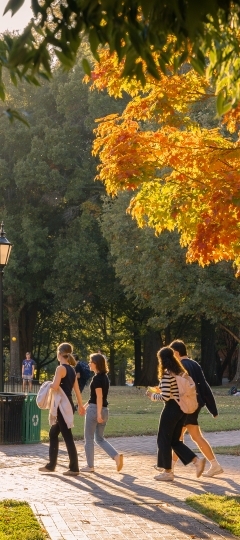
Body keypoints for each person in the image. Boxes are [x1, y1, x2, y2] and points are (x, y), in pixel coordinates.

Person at [146, 346, 206, 482]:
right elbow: (172, 390)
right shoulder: (180, 372)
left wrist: (152, 395)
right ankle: (196, 461)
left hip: (171, 409)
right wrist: (160, 388)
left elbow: (166, 396)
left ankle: (167, 472)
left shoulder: (167, 373)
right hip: (182, 409)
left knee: (163, 439)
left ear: (162, 359)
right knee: (174, 441)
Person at [170, 339, 223, 478]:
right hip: (196, 404)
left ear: (176, 352)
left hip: (186, 406)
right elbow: (204, 386)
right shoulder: (195, 364)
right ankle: (215, 465)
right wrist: (213, 409)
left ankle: (169, 468)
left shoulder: (180, 366)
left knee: (178, 437)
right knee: (192, 436)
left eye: (171, 353)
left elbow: (179, 388)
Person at [39, 342, 85, 476]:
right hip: (68, 404)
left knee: (67, 436)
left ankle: (74, 468)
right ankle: (51, 465)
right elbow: (77, 391)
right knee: (53, 433)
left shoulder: (60, 369)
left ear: (60, 354)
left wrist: (46, 384)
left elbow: (54, 386)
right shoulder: (72, 369)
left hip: (62, 405)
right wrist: (80, 406)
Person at [80, 352, 123, 473]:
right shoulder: (105, 378)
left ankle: (90, 466)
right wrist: (84, 406)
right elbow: (95, 398)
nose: (89, 364)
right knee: (99, 439)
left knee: (88, 438)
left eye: (91, 362)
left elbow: (99, 397)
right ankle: (116, 456)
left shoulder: (97, 379)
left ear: (96, 364)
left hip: (96, 410)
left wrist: (97, 413)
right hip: (104, 410)